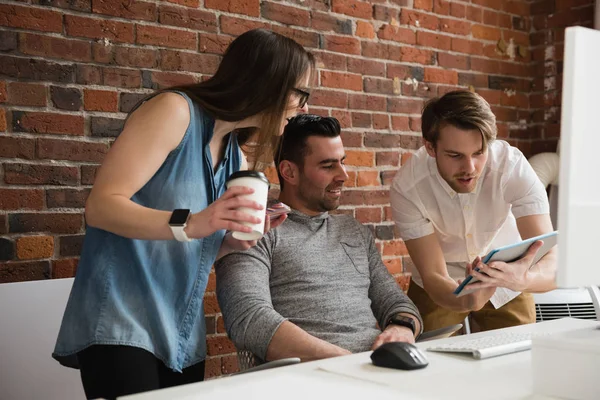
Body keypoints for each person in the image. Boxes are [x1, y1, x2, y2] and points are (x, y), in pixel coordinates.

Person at [52, 29, 314, 399]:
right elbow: (101, 205)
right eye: (301, 94)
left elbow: (190, 247)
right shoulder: (174, 111)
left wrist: (232, 242)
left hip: (181, 331)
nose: (304, 108)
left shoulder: (234, 155)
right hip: (122, 321)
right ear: (268, 82)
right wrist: (193, 222)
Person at [215, 115, 423, 363]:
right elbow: (247, 317)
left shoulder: (353, 231)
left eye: (342, 162)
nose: (343, 175)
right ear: (289, 171)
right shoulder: (253, 232)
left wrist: (402, 327)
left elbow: (395, 301)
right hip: (310, 379)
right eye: (328, 166)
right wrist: (344, 361)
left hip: (375, 369)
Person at [390, 90, 556, 333]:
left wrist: (523, 279)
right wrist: (468, 299)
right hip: (442, 280)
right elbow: (433, 275)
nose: (469, 168)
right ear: (430, 147)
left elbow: (553, 262)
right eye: (455, 155)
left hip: (507, 273)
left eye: (479, 153)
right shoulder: (408, 187)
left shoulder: (511, 167)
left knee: (517, 358)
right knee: (429, 361)